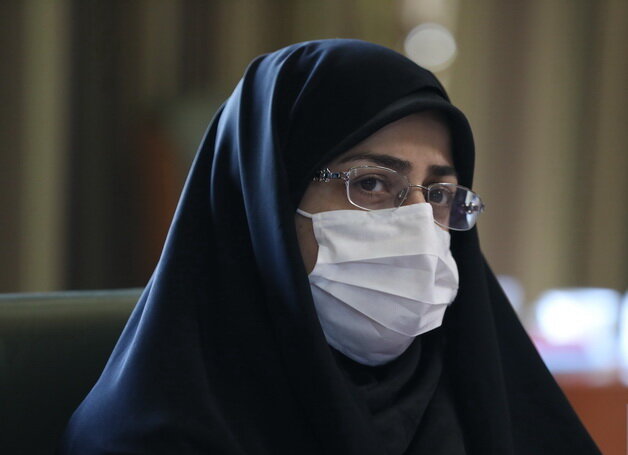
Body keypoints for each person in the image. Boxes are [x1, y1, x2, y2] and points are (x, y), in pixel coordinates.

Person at [58, 39, 600, 454]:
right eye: (371, 183)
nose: (417, 225)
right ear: (267, 203)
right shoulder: (153, 434)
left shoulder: (476, 400)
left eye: (438, 194)